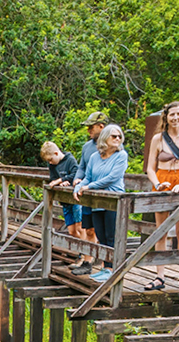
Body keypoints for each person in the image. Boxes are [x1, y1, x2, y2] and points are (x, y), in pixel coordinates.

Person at [142, 101, 179, 290]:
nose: (176, 118)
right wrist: (158, 184)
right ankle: (160, 276)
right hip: (163, 180)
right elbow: (150, 168)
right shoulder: (158, 138)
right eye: (172, 115)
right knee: (161, 230)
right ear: (166, 117)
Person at [72, 123, 128, 282]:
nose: (118, 139)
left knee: (111, 235)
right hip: (97, 201)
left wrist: (89, 187)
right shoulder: (94, 156)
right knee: (101, 235)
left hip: (113, 199)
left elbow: (112, 178)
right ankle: (105, 267)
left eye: (119, 136)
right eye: (114, 136)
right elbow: (88, 177)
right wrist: (78, 187)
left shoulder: (121, 156)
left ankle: (112, 269)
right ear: (105, 138)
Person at [69, 111, 113, 274]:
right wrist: (77, 179)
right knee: (88, 228)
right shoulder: (87, 147)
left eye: (91, 127)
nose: (88, 130)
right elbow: (82, 167)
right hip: (88, 194)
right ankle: (87, 262)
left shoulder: (112, 145)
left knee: (104, 231)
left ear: (101, 127)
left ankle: (106, 265)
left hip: (105, 194)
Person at [41, 141, 81, 238]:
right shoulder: (52, 165)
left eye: (51, 159)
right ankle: (80, 250)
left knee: (80, 228)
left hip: (76, 199)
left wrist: (62, 180)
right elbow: (52, 179)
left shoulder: (70, 160)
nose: (50, 162)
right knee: (71, 231)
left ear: (56, 153)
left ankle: (84, 253)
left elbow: (76, 173)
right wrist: (61, 182)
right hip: (65, 201)